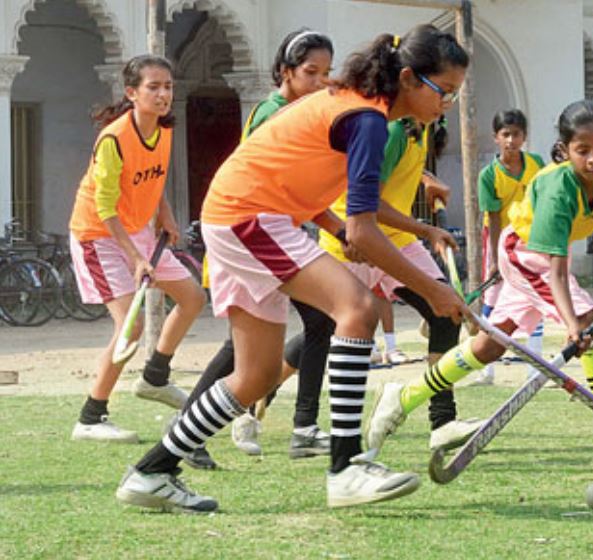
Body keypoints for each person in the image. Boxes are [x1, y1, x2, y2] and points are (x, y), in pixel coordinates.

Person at [116, 24, 470, 513]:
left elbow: (306, 180)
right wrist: (433, 291)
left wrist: (338, 227)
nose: (447, 104)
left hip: (241, 214)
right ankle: (345, 469)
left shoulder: (359, 108)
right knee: (358, 309)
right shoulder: (367, 119)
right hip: (250, 216)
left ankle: (152, 471)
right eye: (445, 91)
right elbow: (363, 232)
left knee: (256, 375)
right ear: (408, 79)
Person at [367, 99, 593, 469]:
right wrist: (574, 326)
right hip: (525, 253)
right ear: (565, 150)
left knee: (491, 345)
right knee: (588, 318)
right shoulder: (558, 187)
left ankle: (404, 396)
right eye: (582, 151)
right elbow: (554, 270)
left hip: (543, 259)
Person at [282, 116, 482, 454]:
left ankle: (443, 422)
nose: (447, 99)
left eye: (452, 91)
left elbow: (388, 174)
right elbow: (369, 201)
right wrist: (426, 229)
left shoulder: (424, 125)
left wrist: (424, 180)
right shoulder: (390, 131)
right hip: (354, 241)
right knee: (322, 330)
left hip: (398, 242)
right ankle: (263, 393)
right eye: (442, 88)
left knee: (445, 314)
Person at [187, 28, 335, 465]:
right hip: (250, 238)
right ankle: (299, 425)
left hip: (271, 236)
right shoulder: (277, 114)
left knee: (313, 323)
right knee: (307, 323)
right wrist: (339, 226)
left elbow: (297, 193)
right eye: (311, 72)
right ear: (285, 72)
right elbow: (278, 188)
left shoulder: (297, 112)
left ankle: (297, 423)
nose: (321, 82)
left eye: (327, 73)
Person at [68, 55, 206, 443]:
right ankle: (91, 418)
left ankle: (155, 378)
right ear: (132, 93)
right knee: (131, 327)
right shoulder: (113, 138)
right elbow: (104, 206)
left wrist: (164, 214)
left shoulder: (163, 130)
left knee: (193, 298)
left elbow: (154, 178)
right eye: (154, 87)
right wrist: (135, 257)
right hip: (99, 235)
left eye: (168, 86)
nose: (164, 94)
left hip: (138, 232)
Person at [473, 109, 546, 385]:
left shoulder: (536, 164)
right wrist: (494, 259)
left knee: (535, 296)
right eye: (505, 134)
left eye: (516, 134)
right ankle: (486, 369)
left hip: (529, 240)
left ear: (524, 137)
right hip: (499, 241)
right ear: (496, 138)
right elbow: (492, 219)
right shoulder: (488, 176)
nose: (511, 140)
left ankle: (535, 368)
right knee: (492, 302)